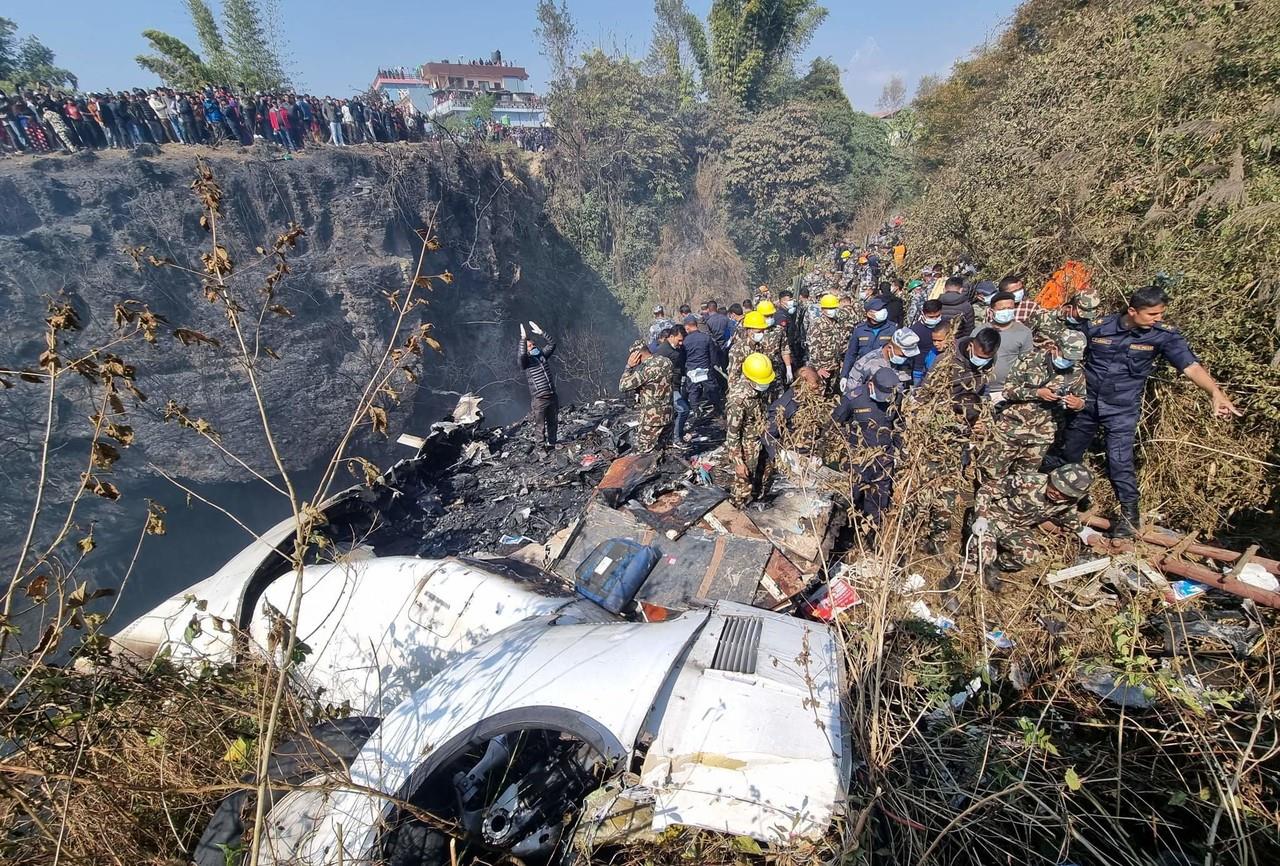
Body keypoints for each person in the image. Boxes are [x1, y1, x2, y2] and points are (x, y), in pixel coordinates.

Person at [1043, 284, 1241, 537]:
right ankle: (1070, 501)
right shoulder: (1099, 326)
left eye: (1161, 314)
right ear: (1133, 311)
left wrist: (1215, 393)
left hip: (1122, 409)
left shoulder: (1163, 335)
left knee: (1119, 461)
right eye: (1153, 314)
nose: (1158, 319)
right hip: (1085, 404)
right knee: (1069, 454)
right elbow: (1067, 349)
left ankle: (1129, 516)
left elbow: (1189, 366)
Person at [978, 330, 1086, 482]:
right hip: (1011, 428)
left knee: (1025, 480)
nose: (1068, 361)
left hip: (1042, 434)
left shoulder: (1076, 372)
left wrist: (1077, 404)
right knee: (992, 473)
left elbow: (1081, 399)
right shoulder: (1030, 360)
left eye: (1072, 359)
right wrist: (1037, 393)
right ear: (1055, 348)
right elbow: (1008, 391)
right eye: (1066, 357)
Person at [969, 464, 1095, 592]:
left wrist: (1081, 531)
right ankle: (959, 580)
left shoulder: (1068, 502)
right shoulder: (1027, 481)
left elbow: (1069, 516)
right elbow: (986, 490)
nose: (1056, 493)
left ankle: (993, 567)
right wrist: (981, 517)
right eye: (1056, 486)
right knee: (983, 555)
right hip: (992, 517)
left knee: (1030, 556)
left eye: (1064, 493)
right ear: (1052, 477)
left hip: (1018, 527)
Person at [833, 367, 904, 529]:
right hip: (857, 459)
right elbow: (835, 424)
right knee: (849, 500)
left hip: (883, 459)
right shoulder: (854, 398)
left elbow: (899, 426)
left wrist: (901, 454)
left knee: (877, 504)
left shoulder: (896, 398)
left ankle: (871, 539)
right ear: (871, 385)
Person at [725, 353, 776, 506]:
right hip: (746, 447)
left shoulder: (756, 389)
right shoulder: (738, 401)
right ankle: (738, 510)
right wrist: (739, 462)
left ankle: (756, 501)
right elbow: (732, 435)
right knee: (744, 484)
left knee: (763, 476)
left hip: (759, 440)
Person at [975, 290, 1034, 401]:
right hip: (981, 389)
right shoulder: (979, 331)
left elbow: (1027, 362)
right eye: (1002, 309)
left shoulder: (1024, 332)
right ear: (992, 311)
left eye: (1010, 308)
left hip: (1007, 390)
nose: (1006, 312)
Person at [619, 341, 675, 452]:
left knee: (644, 451)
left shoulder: (645, 370)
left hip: (651, 419)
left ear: (637, 355)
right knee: (665, 449)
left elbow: (623, 386)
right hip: (668, 415)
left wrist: (628, 367)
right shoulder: (666, 361)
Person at [843, 327, 921, 396]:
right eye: (902, 355)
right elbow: (850, 395)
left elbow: (908, 385)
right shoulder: (866, 363)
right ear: (890, 348)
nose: (905, 359)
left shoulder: (908, 361)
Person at [519, 321, 558, 448]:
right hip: (539, 399)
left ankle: (552, 444)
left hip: (552, 396)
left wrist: (542, 333)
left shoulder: (542, 356)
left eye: (534, 344)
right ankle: (541, 449)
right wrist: (523, 339)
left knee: (553, 422)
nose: (533, 347)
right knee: (540, 426)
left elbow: (552, 344)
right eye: (530, 346)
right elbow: (521, 357)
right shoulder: (526, 363)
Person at [841, 298, 898, 380]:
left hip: (884, 374)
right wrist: (844, 375)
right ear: (869, 313)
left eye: (883, 309)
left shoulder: (893, 328)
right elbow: (851, 354)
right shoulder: (859, 329)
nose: (882, 311)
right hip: (862, 374)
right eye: (878, 310)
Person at [804, 294, 849, 392]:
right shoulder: (817, 324)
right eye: (829, 308)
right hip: (822, 367)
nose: (832, 310)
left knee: (832, 392)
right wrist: (818, 368)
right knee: (820, 392)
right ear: (823, 309)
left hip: (835, 365)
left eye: (834, 308)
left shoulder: (837, 323)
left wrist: (842, 360)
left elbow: (840, 343)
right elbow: (813, 348)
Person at [654, 325, 689, 445]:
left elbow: (681, 364)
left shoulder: (679, 348)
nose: (681, 342)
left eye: (682, 340)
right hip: (668, 388)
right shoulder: (663, 351)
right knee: (683, 410)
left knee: (674, 413)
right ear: (671, 336)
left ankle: (671, 437)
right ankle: (676, 439)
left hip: (678, 384)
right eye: (679, 340)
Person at [1029, 291, 1101, 349]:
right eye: (1080, 316)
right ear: (1070, 307)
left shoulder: (1086, 328)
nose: (1082, 319)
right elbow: (1022, 338)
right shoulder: (1043, 315)